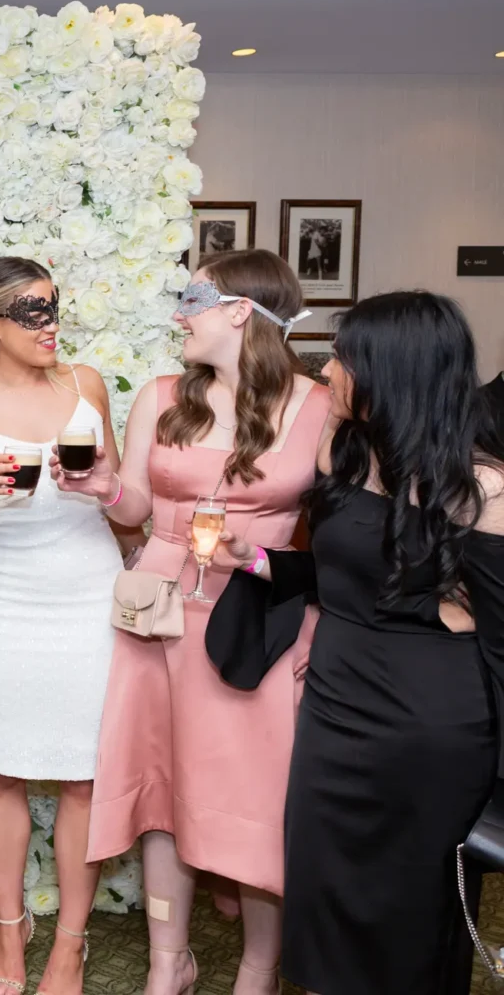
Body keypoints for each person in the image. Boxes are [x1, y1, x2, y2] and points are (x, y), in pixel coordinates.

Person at [57, 248, 329, 994]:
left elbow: (345, 533)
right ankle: (168, 962)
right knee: (160, 787)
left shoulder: (319, 406)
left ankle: (259, 968)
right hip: (158, 611)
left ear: (240, 311)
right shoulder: (162, 396)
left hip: (258, 616)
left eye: (193, 299)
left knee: (254, 797)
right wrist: (104, 488)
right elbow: (138, 509)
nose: (179, 315)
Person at [215, 292, 497, 995]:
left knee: (410, 911)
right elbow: (344, 576)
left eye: (344, 357)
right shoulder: (344, 449)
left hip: (427, 729)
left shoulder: (481, 489)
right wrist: (257, 561)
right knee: (323, 893)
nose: (328, 369)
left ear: (391, 372)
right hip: (336, 709)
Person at [0, 257, 121, 995]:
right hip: (9, 604)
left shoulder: (87, 386)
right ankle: (11, 931)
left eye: (54, 307)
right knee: (4, 769)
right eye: (34, 312)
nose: (51, 325)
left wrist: (111, 489)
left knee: (84, 775)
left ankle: (70, 943)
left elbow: (120, 501)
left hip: (90, 599)